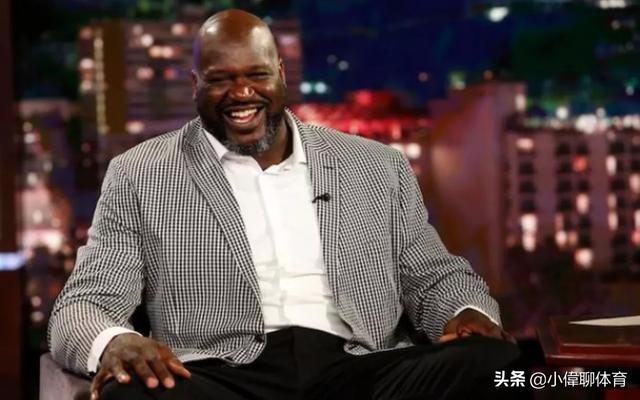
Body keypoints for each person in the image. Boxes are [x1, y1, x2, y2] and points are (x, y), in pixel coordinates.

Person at [49, 9, 521, 400]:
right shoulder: (140, 174)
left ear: (279, 73)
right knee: (131, 394)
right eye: (220, 80)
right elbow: (86, 302)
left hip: (364, 368)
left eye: (256, 75)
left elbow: (432, 275)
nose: (241, 94)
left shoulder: (376, 165)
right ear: (195, 84)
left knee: (498, 364)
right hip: (222, 377)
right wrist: (115, 341)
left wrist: (463, 311)